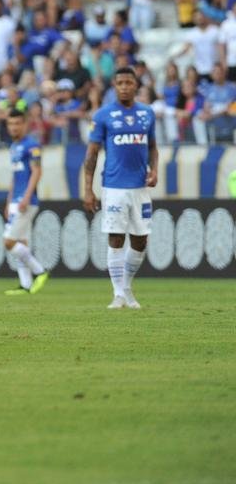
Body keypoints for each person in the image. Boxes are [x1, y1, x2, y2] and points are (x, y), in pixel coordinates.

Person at [83, 67, 157, 310]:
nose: (124, 86)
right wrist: (88, 189)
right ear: (114, 87)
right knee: (116, 238)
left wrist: (154, 169)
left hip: (140, 188)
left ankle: (126, 287)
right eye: (120, 83)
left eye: (129, 82)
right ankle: (117, 294)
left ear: (136, 85)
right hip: (113, 186)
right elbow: (92, 154)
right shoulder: (104, 115)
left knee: (140, 242)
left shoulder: (147, 113)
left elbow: (153, 147)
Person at [2, 108, 49, 295]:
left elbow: (37, 171)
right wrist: (8, 201)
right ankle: (26, 285)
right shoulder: (13, 147)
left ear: (25, 124)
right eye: (10, 124)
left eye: (17, 123)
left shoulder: (32, 145)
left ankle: (40, 271)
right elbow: (15, 177)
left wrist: (27, 197)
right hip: (16, 199)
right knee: (21, 242)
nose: (14, 127)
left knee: (9, 242)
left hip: (26, 200)